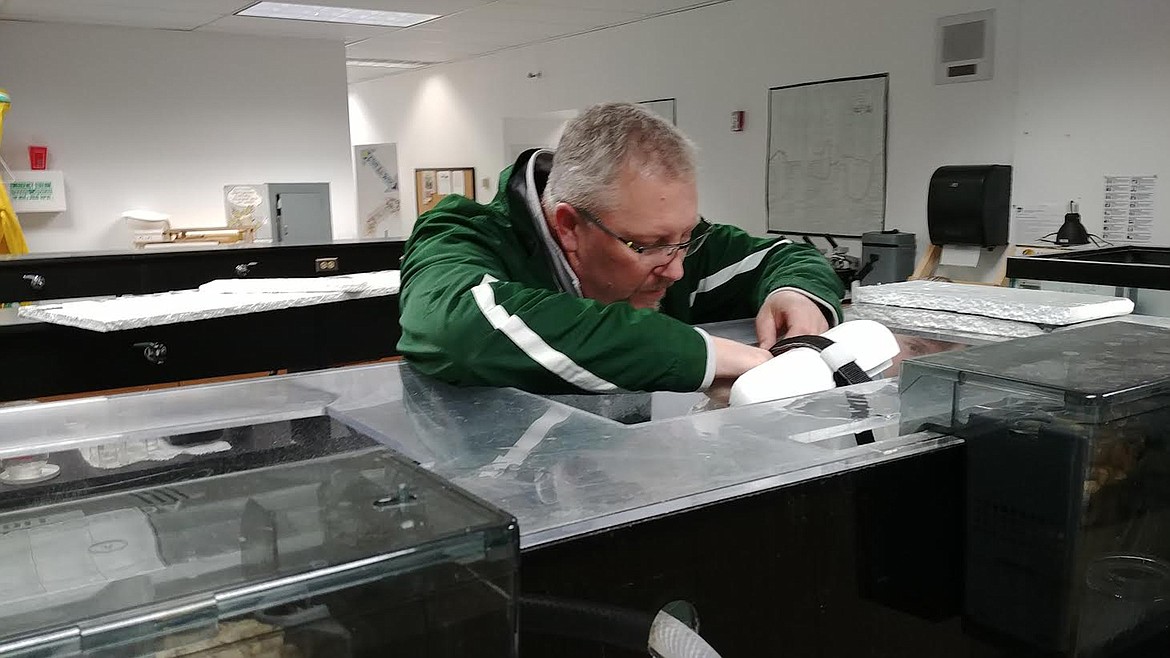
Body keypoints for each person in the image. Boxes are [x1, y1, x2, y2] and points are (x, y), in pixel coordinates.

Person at [398, 102, 844, 394]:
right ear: (570, 227)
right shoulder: (464, 235)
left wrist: (795, 294)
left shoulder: (672, 241)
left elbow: (783, 256)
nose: (674, 269)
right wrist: (701, 353)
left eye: (683, 239)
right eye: (648, 247)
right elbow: (457, 330)